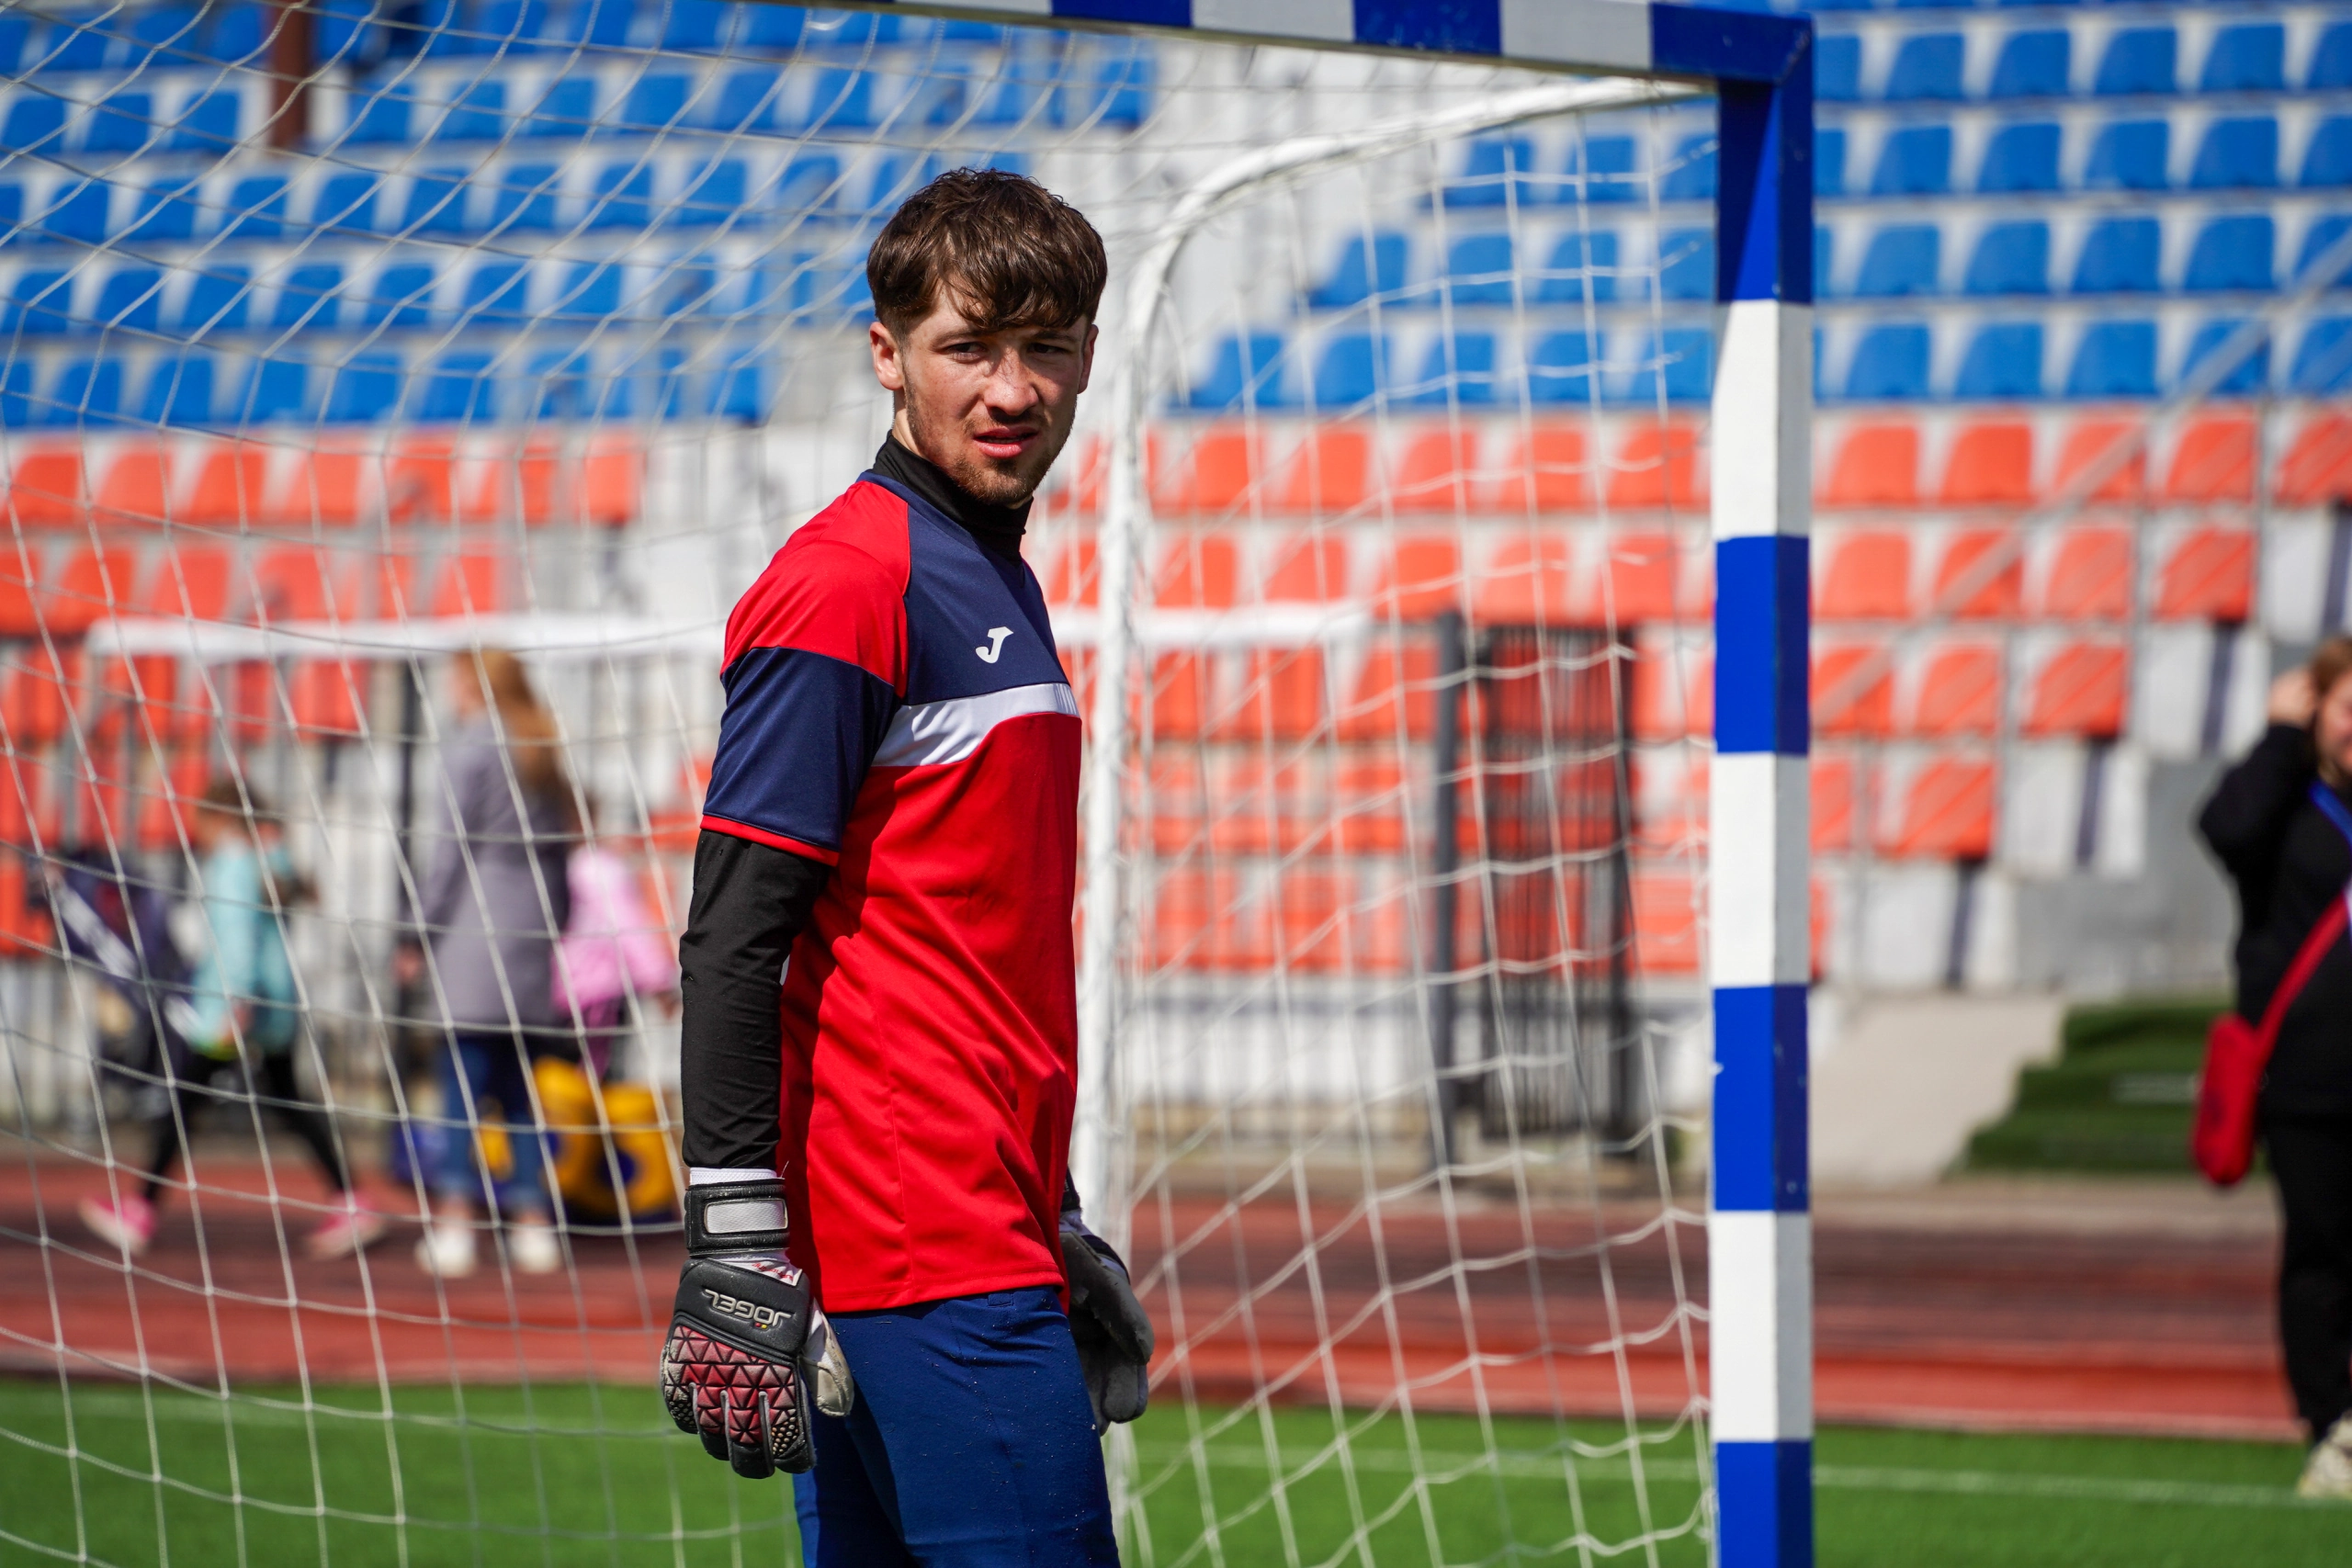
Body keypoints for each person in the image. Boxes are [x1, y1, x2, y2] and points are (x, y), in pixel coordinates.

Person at [657, 169, 1153, 1567]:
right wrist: (735, 1235)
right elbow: (733, 935)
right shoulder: (849, 580)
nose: (1013, 389)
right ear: (887, 353)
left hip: (970, 1226)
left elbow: (960, 943)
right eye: (968, 348)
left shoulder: (987, 567)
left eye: (1044, 346)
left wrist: (1050, 1207)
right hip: (918, 1243)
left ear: (1088, 354)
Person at [79, 777, 385, 1261]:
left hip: (235, 1010)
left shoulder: (232, 864)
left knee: (185, 1102)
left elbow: (238, 938)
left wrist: (236, 1003)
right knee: (286, 1101)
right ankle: (352, 1201)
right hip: (275, 1006)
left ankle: (139, 1211)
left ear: (218, 820)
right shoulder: (269, 861)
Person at [2199, 636, 2352, 1499]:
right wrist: (2276, 736)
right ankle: (2332, 1428)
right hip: (2307, 1083)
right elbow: (2222, 828)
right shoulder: (2284, 809)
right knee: (2321, 1253)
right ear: (2318, 710)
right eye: (2348, 707)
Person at [400, 648, 576, 1280]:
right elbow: (563, 854)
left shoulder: (472, 746)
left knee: (462, 1082)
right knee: (518, 1088)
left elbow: (449, 850)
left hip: (474, 928)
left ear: (472, 683)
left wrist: (416, 931)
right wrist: (554, 926)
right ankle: (532, 1223)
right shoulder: (540, 745)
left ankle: (456, 1221)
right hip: (530, 928)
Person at [553, 795, 679, 1081]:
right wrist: (660, 981)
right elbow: (630, 926)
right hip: (590, 995)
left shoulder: (581, 867)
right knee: (589, 1078)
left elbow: (627, 926)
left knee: (569, 1081)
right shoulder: (592, 866)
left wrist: (657, 979)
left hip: (579, 994)